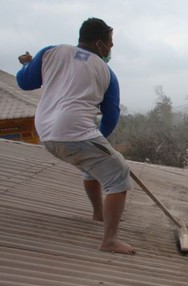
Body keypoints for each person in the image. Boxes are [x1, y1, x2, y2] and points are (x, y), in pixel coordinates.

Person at [17, 18, 135, 255]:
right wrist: (99, 139)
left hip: (45, 132)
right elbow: (110, 116)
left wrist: (25, 65)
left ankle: (98, 214)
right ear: (100, 42)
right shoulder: (106, 72)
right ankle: (109, 240)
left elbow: (24, 82)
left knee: (92, 163)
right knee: (119, 174)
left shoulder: (50, 52)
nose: (111, 49)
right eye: (110, 44)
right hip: (74, 131)